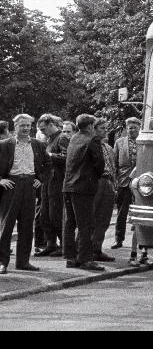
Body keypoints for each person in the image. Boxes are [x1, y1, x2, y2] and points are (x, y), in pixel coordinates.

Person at [0, 114, 51, 274]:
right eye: (22, 125)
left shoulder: (38, 145)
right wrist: (1, 180)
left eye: (28, 125)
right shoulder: (4, 145)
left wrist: (40, 179)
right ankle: (2, 262)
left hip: (30, 186)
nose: (26, 128)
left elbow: (48, 165)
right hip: (11, 186)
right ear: (15, 127)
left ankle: (23, 262)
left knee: (27, 226)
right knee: (6, 226)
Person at [63, 114, 105, 271]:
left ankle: (71, 257)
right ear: (90, 126)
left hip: (68, 185)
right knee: (86, 224)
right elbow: (99, 162)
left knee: (70, 223)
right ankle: (85, 259)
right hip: (84, 186)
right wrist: (96, 176)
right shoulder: (93, 139)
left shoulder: (74, 138)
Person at [33, 114, 68, 257]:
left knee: (55, 215)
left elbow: (67, 158)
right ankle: (51, 243)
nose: (41, 132)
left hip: (57, 182)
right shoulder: (49, 139)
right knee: (44, 215)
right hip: (47, 182)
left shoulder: (62, 138)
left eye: (43, 129)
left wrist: (50, 156)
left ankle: (64, 245)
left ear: (51, 124)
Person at [111, 117, 140, 249]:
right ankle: (118, 239)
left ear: (139, 128)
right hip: (124, 180)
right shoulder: (119, 142)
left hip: (141, 181)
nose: (132, 130)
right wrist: (115, 180)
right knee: (122, 211)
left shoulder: (143, 141)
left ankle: (143, 240)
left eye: (135, 127)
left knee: (141, 210)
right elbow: (114, 162)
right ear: (126, 129)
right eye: (130, 128)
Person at [91, 118, 116, 262]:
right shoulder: (90, 145)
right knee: (91, 216)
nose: (105, 131)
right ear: (94, 129)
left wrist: (114, 183)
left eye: (106, 128)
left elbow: (112, 166)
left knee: (105, 217)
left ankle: (97, 249)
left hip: (108, 182)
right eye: (102, 128)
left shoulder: (108, 147)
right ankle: (85, 250)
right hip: (96, 181)